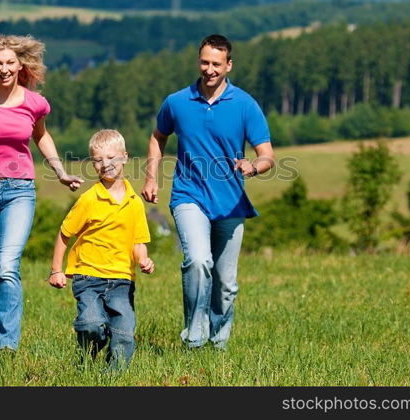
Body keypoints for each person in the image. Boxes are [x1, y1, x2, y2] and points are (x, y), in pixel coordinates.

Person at [0, 33, 83, 351]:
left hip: (20, 191)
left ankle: (7, 347)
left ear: (21, 65)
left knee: (8, 266)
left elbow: (42, 137)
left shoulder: (35, 103)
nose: (4, 69)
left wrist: (59, 170)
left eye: (10, 62)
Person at [141, 34, 274, 350]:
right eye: (204, 62)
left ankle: (219, 342)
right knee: (199, 261)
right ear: (198, 61)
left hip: (231, 202)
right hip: (189, 195)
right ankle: (195, 337)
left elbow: (267, 155)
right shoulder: (177, 102)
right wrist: (150, 178)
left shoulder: (244, 105)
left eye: (216, 63)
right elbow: (158, 136)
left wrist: (252, 166)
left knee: (226, 284)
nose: (209, 69)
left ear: (229, 65)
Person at [49, 129, 154, 369]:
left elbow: (139, 241)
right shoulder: (88, 199)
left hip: (122, 279)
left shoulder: (135, 202)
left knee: (125, 333)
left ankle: (112, 377)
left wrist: (144, 260)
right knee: (90, 325)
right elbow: (65, 234)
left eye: (111, 157)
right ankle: (86, 357)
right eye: (98, 160)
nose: (105, 164)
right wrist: (56, 270)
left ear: (125, 157)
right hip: (88, 277)